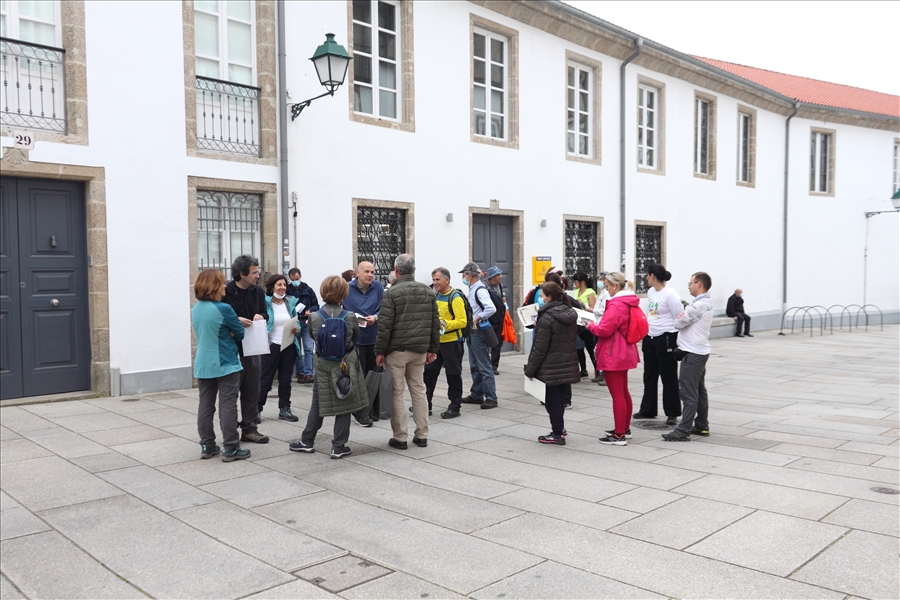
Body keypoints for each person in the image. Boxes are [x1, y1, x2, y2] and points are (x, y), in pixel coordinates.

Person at [289, 276, 369, 459]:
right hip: (344, 363)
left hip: (323, 365)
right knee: (345, 402)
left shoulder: (314, 317)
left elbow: (313, 337)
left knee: (318, 403)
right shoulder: (350, 316)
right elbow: (355, 338)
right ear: (344, 294)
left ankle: (307, 441)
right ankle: (338, 447)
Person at [375, 254, 441, 449]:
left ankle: (400, 437)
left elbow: (385, 326)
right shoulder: (427, 291)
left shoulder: (392, 293)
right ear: (414, 270)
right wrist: (433, 348)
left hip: (397, 351)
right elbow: (434, 323)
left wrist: (380, 350)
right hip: (419, 350)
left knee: (396, 392)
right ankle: (422, 435)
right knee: (419, 390)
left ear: (396, 270)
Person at [191, 269, 250, 462]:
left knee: (205, 405)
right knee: (227, 405)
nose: (225, 286)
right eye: (222, 283)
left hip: (203, 363)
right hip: (225, 363)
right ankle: (231, 447)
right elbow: (240, 333)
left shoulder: (196, 309)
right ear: (214, 286)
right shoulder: (224, 308)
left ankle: (207, 445)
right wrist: (232, 331)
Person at [587, 272, 640, 446]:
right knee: (623, 392)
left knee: (617, 395)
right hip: (623, 349)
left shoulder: (617, 303)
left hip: (614, 352)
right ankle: (624, 429)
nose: (606, 290)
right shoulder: (627, 300)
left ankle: (619, 435)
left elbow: (604, 330)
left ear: (615, 286)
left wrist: (590, 326)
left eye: (607, 286)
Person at [524, 281, 580, 445]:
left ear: (549, 297)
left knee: (552, 400)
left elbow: (539, 348)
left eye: (541, 296)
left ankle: (557, 434)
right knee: (559, 399)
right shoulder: (569, 312)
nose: (540, 299)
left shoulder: (546, 318)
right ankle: (560, 428)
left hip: (550, 365)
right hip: (566, 362)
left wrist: (530, 370)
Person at [223, 255, 270, 444]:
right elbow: (220, 318)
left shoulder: (257, 292)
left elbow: (265, 312)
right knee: (231, 394)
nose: (258, 276)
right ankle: (230, 431)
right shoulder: (226, 292)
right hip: (232, 350)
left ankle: (250, 429)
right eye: (254, 272)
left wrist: (261, 316)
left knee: (252, 391)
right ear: (242, 274)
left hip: (253, 347)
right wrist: (236, 321)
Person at [663, 272, 715, 441]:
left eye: (690, 283)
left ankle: (683, 430)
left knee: (688, 393)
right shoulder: (705, 303)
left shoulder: (698, 306)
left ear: (699, 284)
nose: (688, 286)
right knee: (699, 390)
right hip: (699, 350)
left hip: (693, 353)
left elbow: (679, 323)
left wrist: (682, 317)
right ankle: (701, 425)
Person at [633, 263, 683, 426]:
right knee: (649, 374)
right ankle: (648, 409)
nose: (646, 278)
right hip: (650, 336)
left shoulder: (670, 294)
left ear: (653, 276)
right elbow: (652, 313)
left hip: (666, 336)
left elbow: (679, 316)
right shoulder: (651, 292)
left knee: (668, 376)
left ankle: (672, 412)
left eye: (647, 275)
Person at [422, 268, 468, 419]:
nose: (435, 283)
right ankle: (425, 405)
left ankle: (455, 406)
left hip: (452, 343)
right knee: (429, 374)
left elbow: (462, 321)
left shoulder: (455, 297)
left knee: (453, 375)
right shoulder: (435, 295)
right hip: (436, 343)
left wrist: (444, 323)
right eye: (433, 280)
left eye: (437, 280)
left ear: (447, 280)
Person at [343, 261, 384, 422]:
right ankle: (360, 412)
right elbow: (338, 307)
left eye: (372, 272)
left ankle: (374, 411)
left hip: (374, 338)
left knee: (375, 377)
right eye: (367, 271)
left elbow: (385, 307)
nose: (370, 275)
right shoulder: (347, 288)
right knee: (359, 378)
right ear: (357, 273)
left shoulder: (378, 287)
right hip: (356, 340)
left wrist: (376, 317)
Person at [257, 275, 301, 422]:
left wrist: (297, 328)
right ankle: (256, 410)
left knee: (286, 379)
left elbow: (296, 320)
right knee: (265, 379)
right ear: (272, 287)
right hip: (271, 345)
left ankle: (285, 409)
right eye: (279, 285)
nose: (282, 288)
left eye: (284, 285)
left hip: (288, 344)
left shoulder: (289, 302)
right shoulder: (265, 302)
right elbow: (261, 323)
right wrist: (266, 340)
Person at [459, 262, 499, 410]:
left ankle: (491, 397)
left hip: (478, 332)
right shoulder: (473, 288)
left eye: (464, 275)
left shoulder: (479, 290)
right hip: (472, 332)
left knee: (484, 365)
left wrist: (478, 318)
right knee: (475, 365)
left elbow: (491, 308)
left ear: (470, 276)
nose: (463, 278)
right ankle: (476, 394)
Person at [286, 268, 319, 384]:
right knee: (297, 349)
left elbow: (316, 305)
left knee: (309, 348)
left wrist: (310, 310)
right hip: (294, 322)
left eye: (297, 279)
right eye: (293, 279)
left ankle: (309, 373)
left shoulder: (308, 289)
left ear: (300, 276)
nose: (295, 281)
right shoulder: (287, 290)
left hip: (306, 322)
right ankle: (300, 373)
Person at [572, 272, 598, 379]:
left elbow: (593, 309)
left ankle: (597, 370)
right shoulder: (576, 292)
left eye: (576, 281)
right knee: (579, 348)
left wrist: (583, 304)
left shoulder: (590, 292)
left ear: (582, 282)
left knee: (590, 347)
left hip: (587, 323)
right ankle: (583, 369)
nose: (574, 283)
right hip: (578, 323)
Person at [483, 266, 505, 375]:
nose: (501, 276)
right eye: (498, 275)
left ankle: (494, 366)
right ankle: (485, 365)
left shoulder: (500, 285)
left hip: (499, 318)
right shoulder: (484, 287)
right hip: (488, 319)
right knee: (485, 343)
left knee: (497, 343)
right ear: (493, 277)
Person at [591, 272, 611, 384]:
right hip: (597, 323)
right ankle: (599, 372)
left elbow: (605, 309)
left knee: (603, 351)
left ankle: (605, 375)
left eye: (600, 279)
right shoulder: (603, 292)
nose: (599, 281)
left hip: (602, 323)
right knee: (597, 350)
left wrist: (593, 310)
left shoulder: (608, 293)